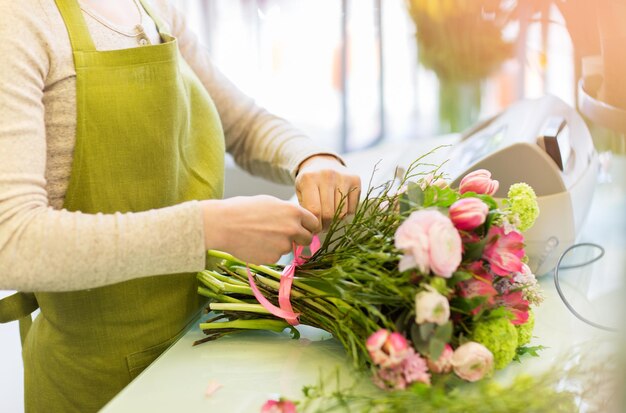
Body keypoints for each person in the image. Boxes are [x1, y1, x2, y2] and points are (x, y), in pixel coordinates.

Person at [0, 0, 361, 411]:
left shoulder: (152, 8)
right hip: (97, 386)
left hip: (203, 344)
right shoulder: (18, 20)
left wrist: (311, 158)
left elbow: (242, 124)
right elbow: (10, 242)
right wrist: (206, 230)